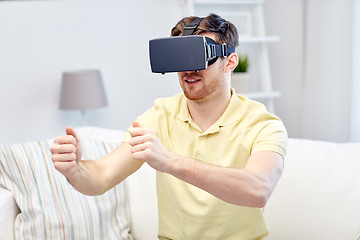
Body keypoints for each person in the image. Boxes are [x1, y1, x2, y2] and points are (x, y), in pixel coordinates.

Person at [51, 13, 287, 240]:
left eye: (198, 56)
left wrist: (170, 162)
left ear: (230, 62)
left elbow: (258, 189)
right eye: (180, 57)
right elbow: (103, 176)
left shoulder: (263, 124)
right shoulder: (159, 116)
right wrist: (76, 170)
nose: (188, 70)